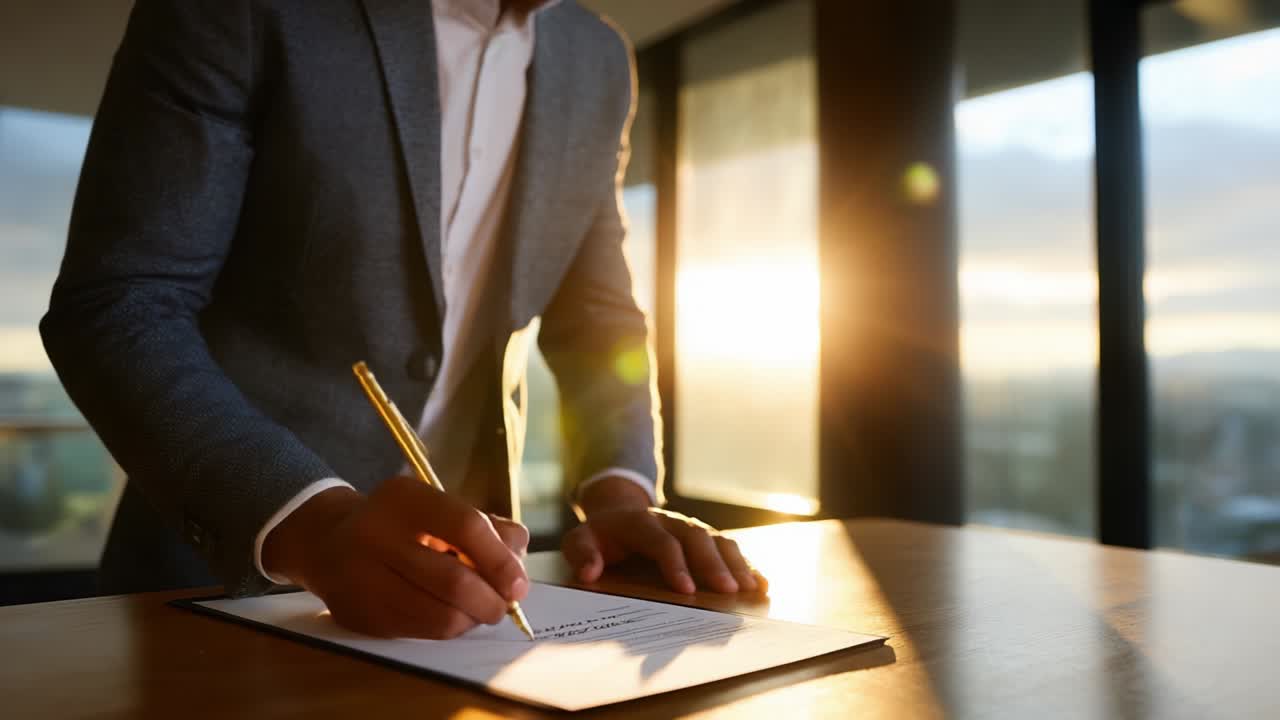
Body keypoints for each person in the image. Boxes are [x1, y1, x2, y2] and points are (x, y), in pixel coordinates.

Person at [41, 0, 763, 639]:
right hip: (215, 595)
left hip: (470, 611)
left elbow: (600, 324)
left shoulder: (598, 57)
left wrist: (619, 496)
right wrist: (313, 528)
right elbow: (121, 303)